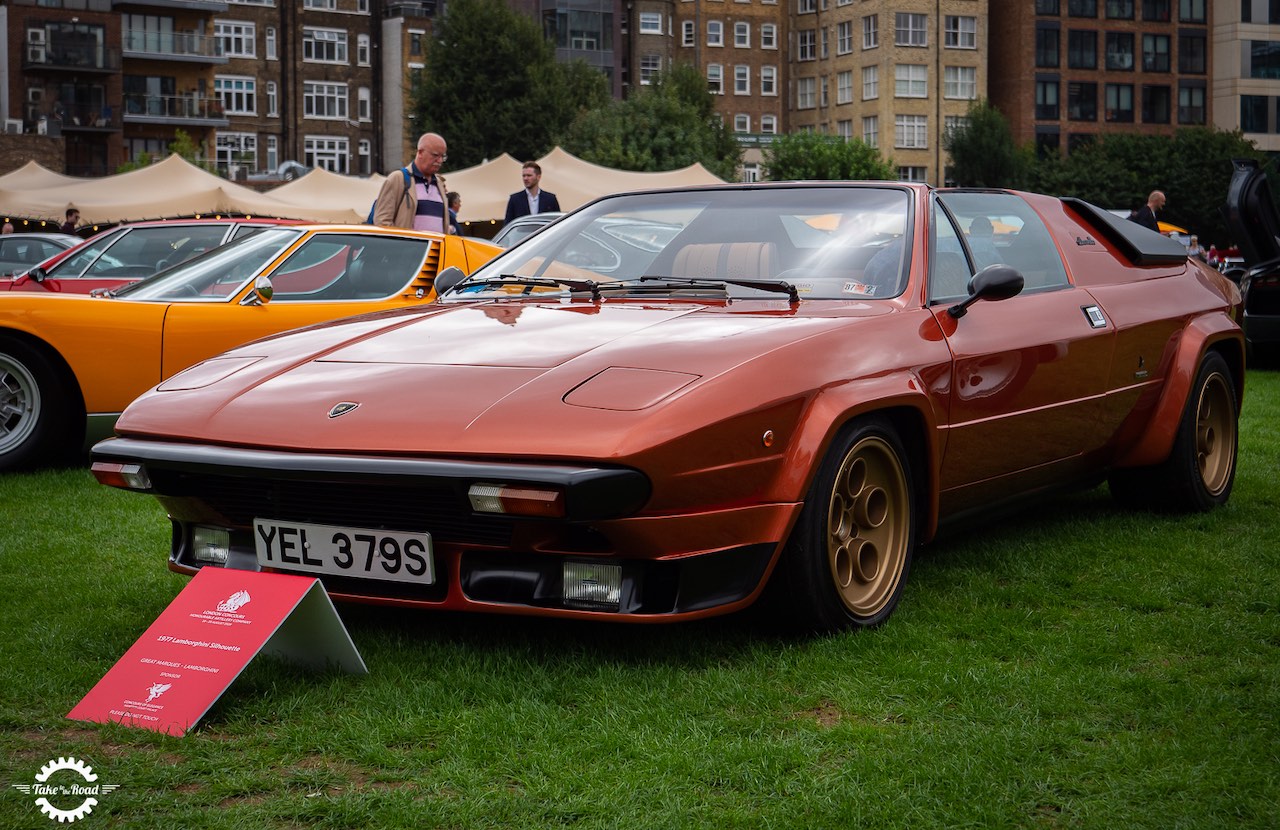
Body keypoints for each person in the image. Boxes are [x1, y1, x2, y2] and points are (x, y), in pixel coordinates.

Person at [372, 132, 450, 232]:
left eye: (443, 156)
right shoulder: (398, 178)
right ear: (420, 152)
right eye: (435, 155)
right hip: (408, 247)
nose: (439, 160)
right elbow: (382, 221)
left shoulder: (439, 183)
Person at [503, 161, 561, 226]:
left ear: (538, 177)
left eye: (529, 175)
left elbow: (557, 223)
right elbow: (507, 224)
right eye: (524, 176)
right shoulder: (515, 199)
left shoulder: (550, 199)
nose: (525, 178)